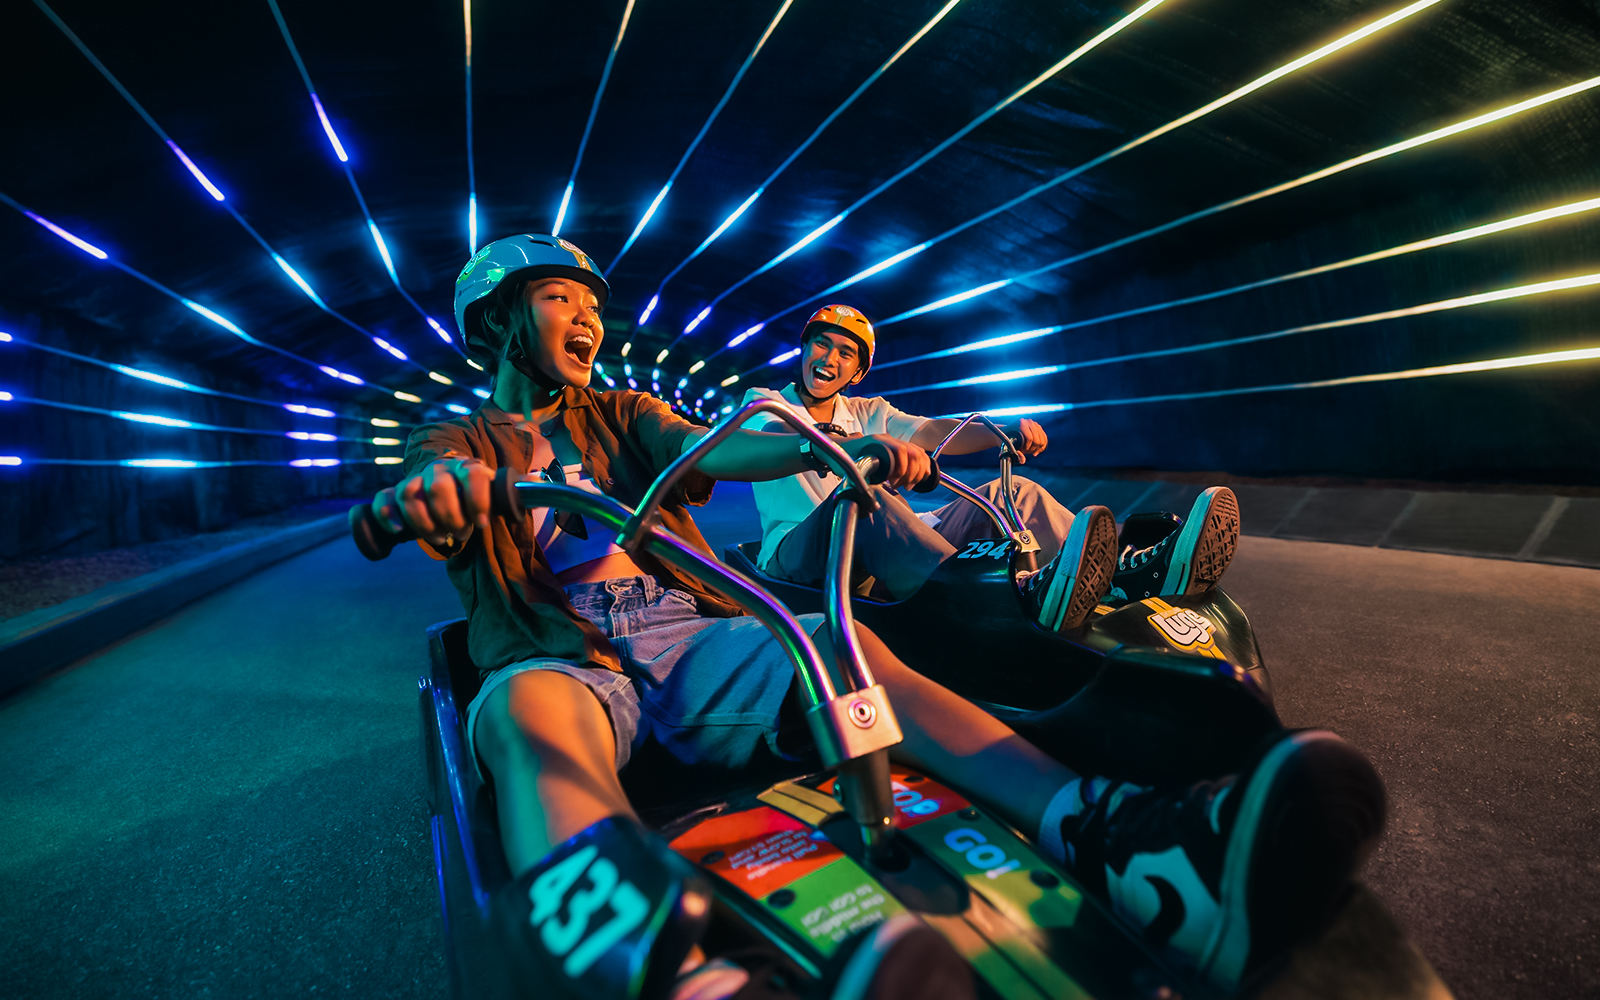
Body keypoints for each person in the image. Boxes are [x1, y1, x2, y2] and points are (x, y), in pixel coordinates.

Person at [369, 235, 1383, 998]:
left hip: (682, 633)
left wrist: (815, 447)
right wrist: (440, 491)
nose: (587, 318)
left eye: (592, 303)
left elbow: (720, 446)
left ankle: (1111, 831)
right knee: (519, 719)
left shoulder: (623, 413)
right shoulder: (462, 433)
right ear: (498, 322)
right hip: (560, 648)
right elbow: (429, 478)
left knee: (843, 654)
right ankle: (634, 957)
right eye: (558, 299)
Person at [741, 305, 1243, 630]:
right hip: (798, 556)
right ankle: (991, 602)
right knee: (866, 501)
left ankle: (1123, 575)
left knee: (1016, 492)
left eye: (845, 352)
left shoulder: (870, 410)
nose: (829, 358)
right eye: (821, 344)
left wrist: (1004, 431)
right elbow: (773, 437)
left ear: (857, 370)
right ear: (804, 349)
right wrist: (863, 447)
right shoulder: (768, 403)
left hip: (883, 541)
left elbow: (936, 431)